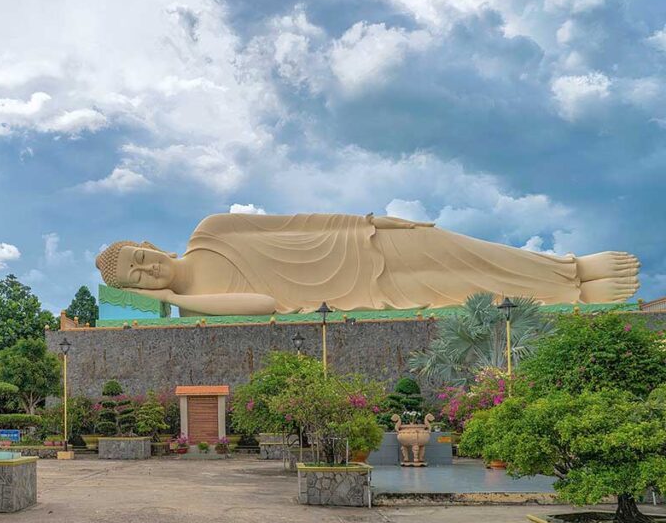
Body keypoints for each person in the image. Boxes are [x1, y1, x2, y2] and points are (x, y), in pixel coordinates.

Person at [95, 212, 640, 314]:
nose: (148, 270)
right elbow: (264, 304)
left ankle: (569, 266)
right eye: (137, 278)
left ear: (150, 244)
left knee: (461, 248)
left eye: (141, 258)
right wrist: (172, 297)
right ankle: (573, 292)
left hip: (353, 245)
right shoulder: (195, 303)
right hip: (352, 294)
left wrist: (365, 221)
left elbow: (296, 223)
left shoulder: (211, 229)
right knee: (459, 286)